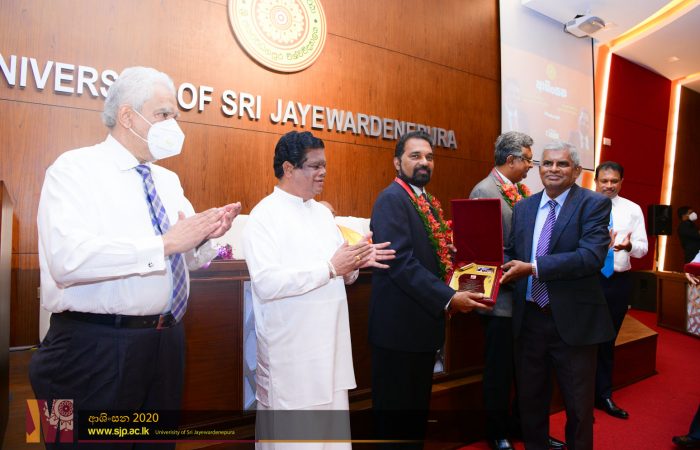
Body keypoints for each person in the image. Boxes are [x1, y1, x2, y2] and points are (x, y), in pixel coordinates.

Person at [30, 66, 240, 448]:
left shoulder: (168, 180)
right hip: (88, 349)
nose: (174, 125)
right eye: (164, 114)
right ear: (127, 116)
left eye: (176, 116)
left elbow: (185, 259)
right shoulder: (73, 169)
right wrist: (163, 244)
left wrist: (203, 238)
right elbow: (66, 260)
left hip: (165, 344)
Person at [241, 131, 395, 449]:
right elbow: (267, 283)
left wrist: (354, 264)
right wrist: (330, 268)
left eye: (324, 165)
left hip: (331, 350)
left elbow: (339, 271)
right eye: (314, 166)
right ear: (288, 168)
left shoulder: (323, 214)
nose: (323, 172)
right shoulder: (263, 216)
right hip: (292, 356)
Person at [369, 130, 492, 447]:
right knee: (395, 420)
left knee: (414, 417)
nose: (424, 162)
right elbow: (401, 263)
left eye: (429, 157)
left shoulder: (425, 201)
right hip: (398, 333)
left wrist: (447, 255)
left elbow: (425, 254)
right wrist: (450, 298)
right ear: (397, 162)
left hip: (421, 330)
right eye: (415, 156)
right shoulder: (391, 200)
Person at [500, 141, 614, 450]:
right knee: (530, 402)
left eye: (562, 164)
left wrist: (533, 268)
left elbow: (590, 257)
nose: (553, 169)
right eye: (547, 163)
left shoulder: (593, 204)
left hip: (574, 324)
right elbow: (510, 252)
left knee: (578, 408)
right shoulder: (523, 207)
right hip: (529, 322)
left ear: (576, 171)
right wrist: (476, 259)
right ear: (539, 169)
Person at [592, 161, 648, 419]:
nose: (609, 185)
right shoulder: (583, 205)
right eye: (604, 180)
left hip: (618, 282)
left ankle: (603, 394)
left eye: (614, 181)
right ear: (596, 181)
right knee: (584, 338)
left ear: (621, 182)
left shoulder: (632, 209)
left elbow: (643, 248)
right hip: (588, 280)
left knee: (608, 339)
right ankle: (579, 394)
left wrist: (628, 247)